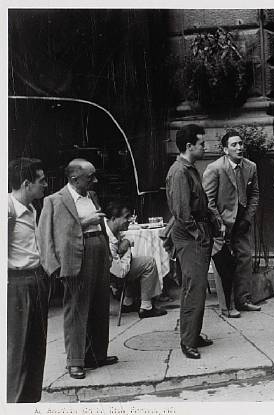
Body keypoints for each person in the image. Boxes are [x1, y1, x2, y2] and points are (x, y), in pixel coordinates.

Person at [38, 158, 118, 379]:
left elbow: (101, 224)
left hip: (98, 251)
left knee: (100, 305)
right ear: (74, 178)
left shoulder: (91, 195)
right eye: (90, 177)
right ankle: (75, 361)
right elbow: (45, 236)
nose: (95, 180)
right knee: (76, 309)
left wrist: (108, 252)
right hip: (75, 258)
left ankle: (97, 355)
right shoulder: (54, 201)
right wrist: (53, 267)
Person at [165, 124, 215, 359]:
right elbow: (182, 213)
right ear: (189, 146)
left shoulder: (188, 169)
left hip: (196, 234)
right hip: (191, 237)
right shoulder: (179, 172)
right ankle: (188, 341)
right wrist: (200, 234)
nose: (205, 147)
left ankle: (193, 334)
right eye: (201, 144)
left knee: (197, 288)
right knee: (193, 289)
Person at [203, 131, 261, 315]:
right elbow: (208, 201)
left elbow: (255, 195)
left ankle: (243, 299)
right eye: (234, 145)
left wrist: (247, 218)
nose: (239, 148)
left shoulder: (251, 167)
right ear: (225, 149)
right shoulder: (215, 168)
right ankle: (227, 306)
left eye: (241, 144)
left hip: (241, 223)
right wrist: (218, 223)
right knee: (224, 265)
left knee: (244, 259)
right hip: (221, 225)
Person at [7, 158, 49, 402]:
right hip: (18, 285)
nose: (45, 185)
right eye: (41, 181)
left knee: (35, 351)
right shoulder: (8, 210)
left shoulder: (32, 209)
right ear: (26, 183)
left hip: (36, 281)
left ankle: (31, 403)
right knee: (18, 352)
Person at [104, 204, 167, 319]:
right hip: (111, 276)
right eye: (126, 217)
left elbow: (125, 242)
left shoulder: (110, 228)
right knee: (149, 263)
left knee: (136, 260)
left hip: (112, 270)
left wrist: (126, 242)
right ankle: (146, 307)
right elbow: (120, 272)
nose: (129, 220)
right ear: (113, 219)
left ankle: (128, 302)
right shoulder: (108, 239)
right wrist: (127, 247)